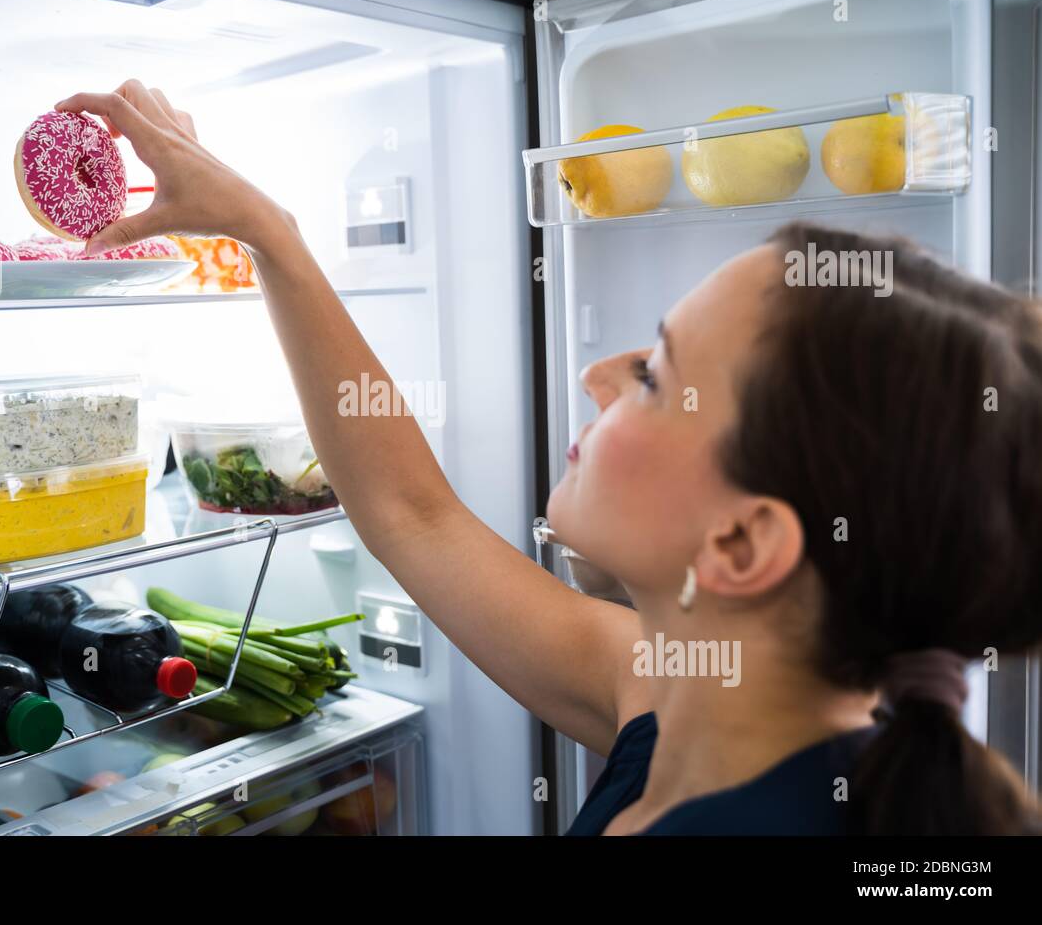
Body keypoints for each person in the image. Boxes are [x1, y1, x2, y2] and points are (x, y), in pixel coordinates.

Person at [57, 80, 1042, 835]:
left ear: (740, 542)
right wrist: (266, 232)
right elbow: (411, 512)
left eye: (655, 374)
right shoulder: (678, 690)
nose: (596, 373)